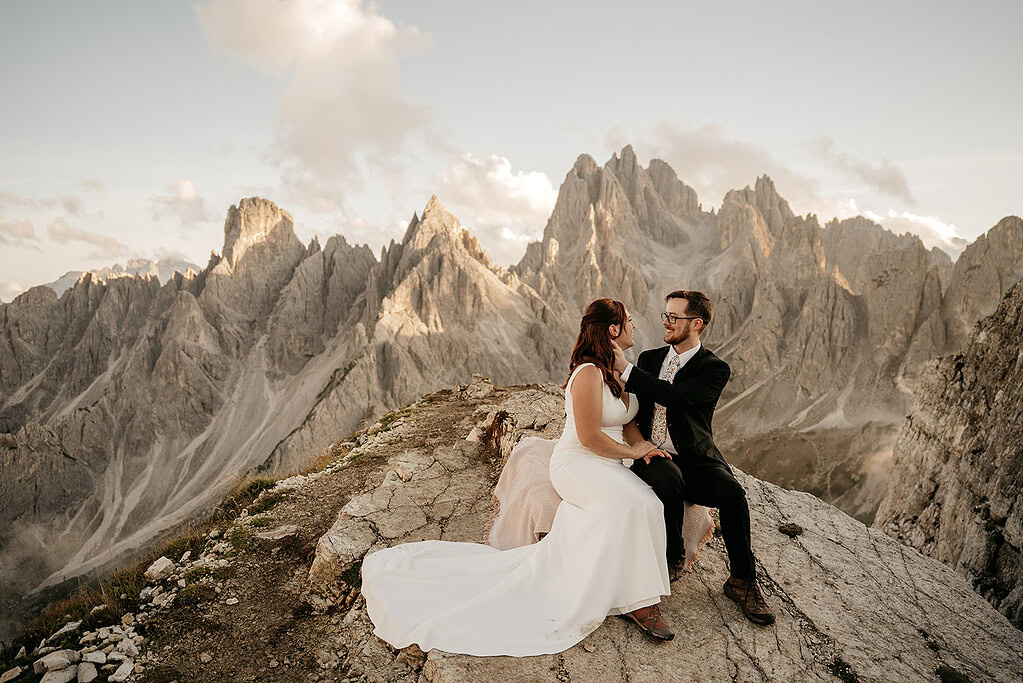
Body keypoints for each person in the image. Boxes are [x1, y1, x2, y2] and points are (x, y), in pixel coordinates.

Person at [361, 298, 676, 656]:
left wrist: (643, 446)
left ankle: (624, 588)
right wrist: (630, 454)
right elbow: (588, 436)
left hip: (609, 463)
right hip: (580, 462)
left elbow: (629, 423)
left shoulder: (621, 370)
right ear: (614, 329)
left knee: (648, 503)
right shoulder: (587, 372)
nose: (636, 326)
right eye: (629, 321)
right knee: (636, 503)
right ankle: (640, 603)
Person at [612, 289, 775, 626]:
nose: (666, 323)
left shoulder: (715, 369)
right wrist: (638, 444)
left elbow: (676, 397)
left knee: (733, 494)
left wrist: (626, 370)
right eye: (665, 316)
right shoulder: (650, 359)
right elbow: (636, 407)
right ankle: (673, 558)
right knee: (667, 478)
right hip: (652, 453)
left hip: (695, 455)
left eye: (675, 318)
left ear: (696, 324)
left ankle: (742, 581)